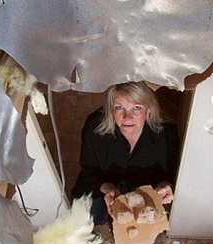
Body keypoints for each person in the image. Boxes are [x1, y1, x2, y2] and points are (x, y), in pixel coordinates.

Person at [71, 82, 180, 225]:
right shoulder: (94, 127)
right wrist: (108, 189)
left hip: (140, 185)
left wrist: (164, 185)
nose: (127, 117)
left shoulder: (166, 134)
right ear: (110, 109)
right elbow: (89, 168)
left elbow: (166, 172)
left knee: (139, 220)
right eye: (119, 107)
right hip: (103, 181)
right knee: (88, 217)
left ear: (149, 108)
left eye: (137, 108)